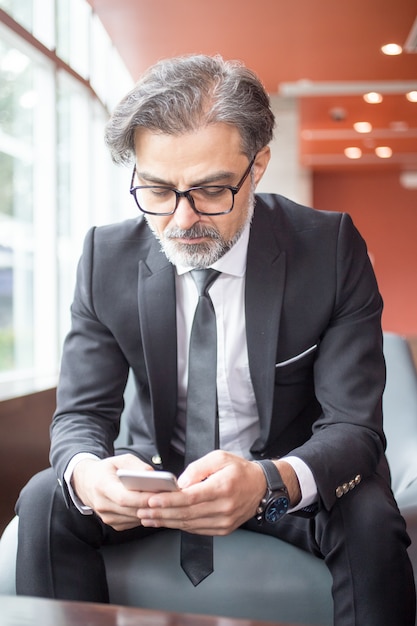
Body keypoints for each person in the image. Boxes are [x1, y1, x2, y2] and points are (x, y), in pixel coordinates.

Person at [15, 54, 415, 625]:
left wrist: (268, 480)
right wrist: (88, 472)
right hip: (155, 479)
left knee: (371, 518)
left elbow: (355, 426)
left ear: (257, 168)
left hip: (281, 479)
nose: (181, 220)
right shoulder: (106, 256)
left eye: (209, 191)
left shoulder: (328, 250)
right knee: (47, 495)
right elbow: (79, 414)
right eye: (156, 190)